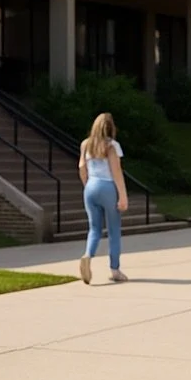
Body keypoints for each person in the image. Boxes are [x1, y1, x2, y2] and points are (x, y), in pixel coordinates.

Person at [78, 112, 129, 284]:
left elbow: (82, 168)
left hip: (91, 186)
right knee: (114, 230)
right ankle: (115, 270)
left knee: (94, 228)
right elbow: (116, 172)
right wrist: (122, 196)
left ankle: (87, 255)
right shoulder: (112, 146)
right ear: (111, 128)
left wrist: (88, 186)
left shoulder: (86, 144)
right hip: (107, 187)